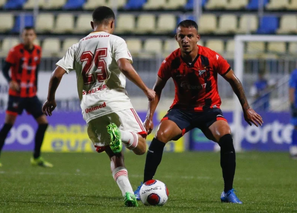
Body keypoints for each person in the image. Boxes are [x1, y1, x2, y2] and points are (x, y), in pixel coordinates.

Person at [134, 20, 263, 204]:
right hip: (182, 111)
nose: (186, 40)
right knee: (160, 135)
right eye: (181, 36)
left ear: (197, 38)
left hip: (209, 110)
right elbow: (157, 90)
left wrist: (246, 108)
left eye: (189, 36)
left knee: (226, 136)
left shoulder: (211, 57)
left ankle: (227, 192)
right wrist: (149, 117)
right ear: (176, 39)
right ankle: (145, 185)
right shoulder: (171, 61)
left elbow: (234, 80)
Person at [42, 6, 155, 207]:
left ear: (92, 24)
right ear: (112, 23)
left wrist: (51, 98)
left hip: (89, 105)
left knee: (114, 154)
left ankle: (128, 194)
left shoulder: (76, 47)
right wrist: (147, 90)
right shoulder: (116, 40)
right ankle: (121, 135)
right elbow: (124, 66)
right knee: (141, 147)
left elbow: (56, 75)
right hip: (114, 99)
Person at [0, 27, 52, 168]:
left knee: (43, 123)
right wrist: (10, 81)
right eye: (26, 35)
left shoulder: (37, 51)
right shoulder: (15, 51)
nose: (28, 37)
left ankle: (36, 157)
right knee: (8, 125)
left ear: (34, 36)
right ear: (22, 36)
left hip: (31, 94)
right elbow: (5, 68)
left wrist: (36, 85)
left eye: (31, 34)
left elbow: (35, 70)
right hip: (17, 95)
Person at [289, 68, 297, 159]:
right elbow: (291, 89)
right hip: (296, 105)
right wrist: (292, 104)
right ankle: (294, 150)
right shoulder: (295, 73)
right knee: (296, 126)